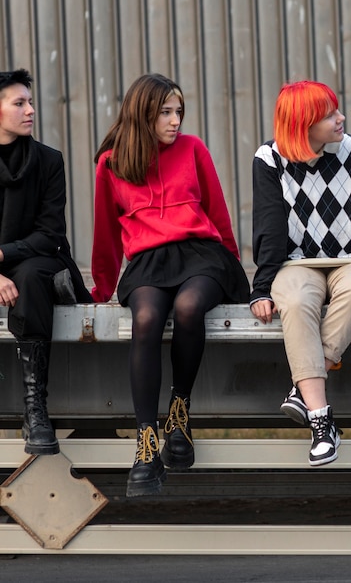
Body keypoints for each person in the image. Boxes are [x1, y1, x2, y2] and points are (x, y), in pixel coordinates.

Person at [91, 73, 249, 497]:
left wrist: (236, 270)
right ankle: (146, 442)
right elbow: (105, 233)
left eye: (178, 111)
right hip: (148, 261)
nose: (175, 120)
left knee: (188, 308)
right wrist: (100, 289)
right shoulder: (111, 163)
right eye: (165, 112)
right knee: (145, 317)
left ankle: (179, 411)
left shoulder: (194, 149)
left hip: (201, 254)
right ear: (143, 113)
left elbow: (217, 212)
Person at [250, 80, 351, 467]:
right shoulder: (269, 159)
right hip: (295, 263)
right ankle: (322, 422)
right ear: (304, 124)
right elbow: (269, 226)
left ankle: (304, 392)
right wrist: (263, 287)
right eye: (330, 114)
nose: (341, 118)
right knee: (296, 301)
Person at [0, 68, 92, 456]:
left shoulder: (48, 161)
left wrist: (4, 257)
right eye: (19, 103)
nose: (30, 110)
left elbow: (50, 233)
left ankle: (36, 409)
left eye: (30, 102)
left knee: (33, 278)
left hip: (39, 260)